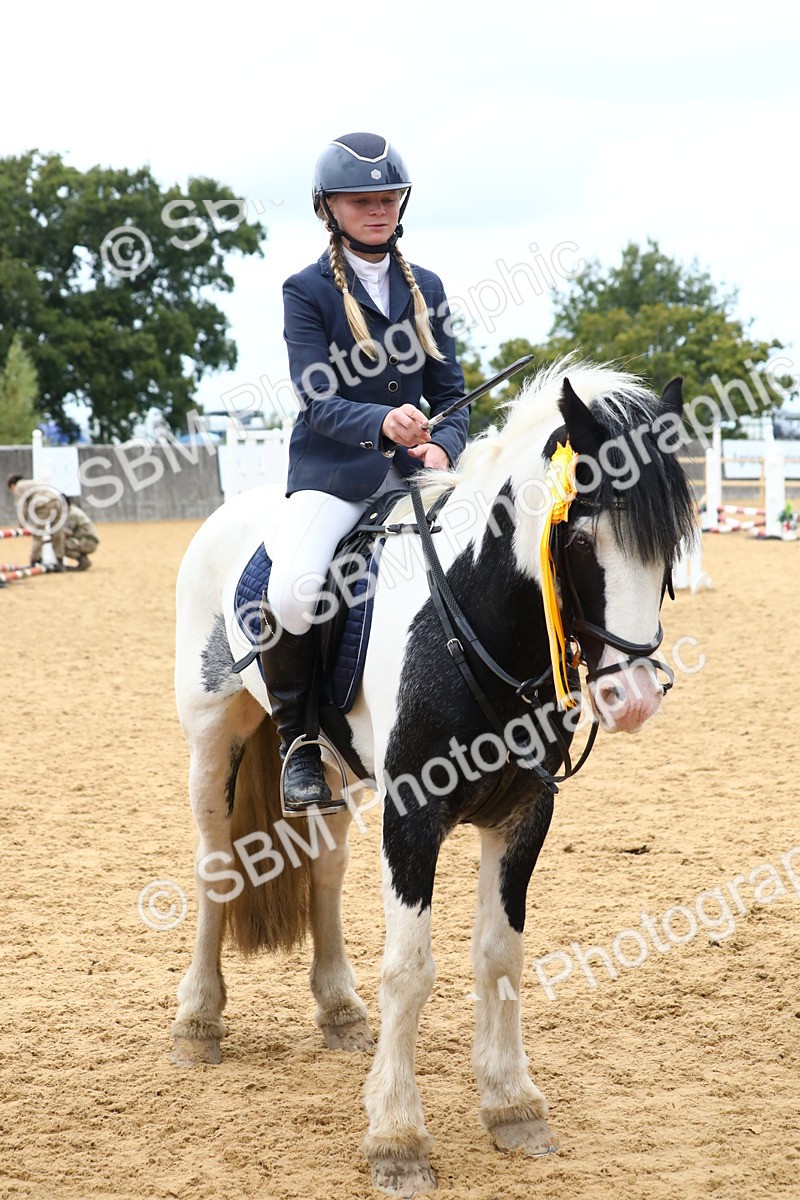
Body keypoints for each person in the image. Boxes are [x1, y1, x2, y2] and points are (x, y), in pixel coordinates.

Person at [263, 131, 469, 814]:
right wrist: (381, 423)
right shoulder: (306, 291)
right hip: (334, 475)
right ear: (330, 207)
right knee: (294, 592)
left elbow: (452, 394)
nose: (377, 210)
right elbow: (317, 398)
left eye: (388, 199)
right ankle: (300, 745)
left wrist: (445, 447)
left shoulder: (426, 287)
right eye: (361, 201)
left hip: (417, 475)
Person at [6, 474, 66, 571]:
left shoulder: (19, 487)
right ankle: (60, 562)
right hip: (56, 501)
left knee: (38, 534)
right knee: (57, 534)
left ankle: (34, 560)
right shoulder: (30, 482)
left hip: (43, 504)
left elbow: (22, 507)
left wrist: (21, 525)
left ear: (12, 485)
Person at [62, 497, 99, 570]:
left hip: (88, 542)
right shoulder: (72, 510)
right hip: (87, 540)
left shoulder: (72, 514)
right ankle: (83, 559)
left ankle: (83, 561)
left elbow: (65, 534)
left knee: (61, 545)